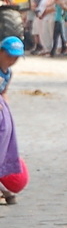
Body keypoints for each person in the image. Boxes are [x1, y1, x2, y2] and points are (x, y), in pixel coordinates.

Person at [0, 35, 23, 205]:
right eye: (9, 56)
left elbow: (4, 91)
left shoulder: (8, 73)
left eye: (15, 58)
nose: (12, 60)